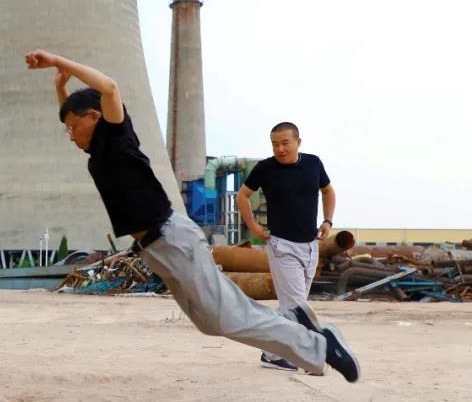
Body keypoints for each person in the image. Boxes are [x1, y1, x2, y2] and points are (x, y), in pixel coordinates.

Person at [24, 49, 360, 383]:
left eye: (72, 127)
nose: (71, 136)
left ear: (94, 117)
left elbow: (109, 88)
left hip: (171, 237)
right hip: (156, 248)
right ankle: (301, 325)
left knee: (229, 317)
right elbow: (75, 113)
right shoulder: (96, 150)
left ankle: (320, 345)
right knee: (210, 321)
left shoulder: (116, 134)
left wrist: (59, 61)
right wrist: (61, 90)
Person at [236, 123, 337, 372]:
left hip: (311, 246)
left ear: (298, 142)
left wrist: (328, 220)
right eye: (274, 144)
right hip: (283, 246)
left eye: (285, 143)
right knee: (296, 306)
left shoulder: (313, 163)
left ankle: (271, 353)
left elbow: (328, 191)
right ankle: (289, 353)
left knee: (292, 305)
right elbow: (242, 196)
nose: (279, 148)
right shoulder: (265, 168)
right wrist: (254, 227)